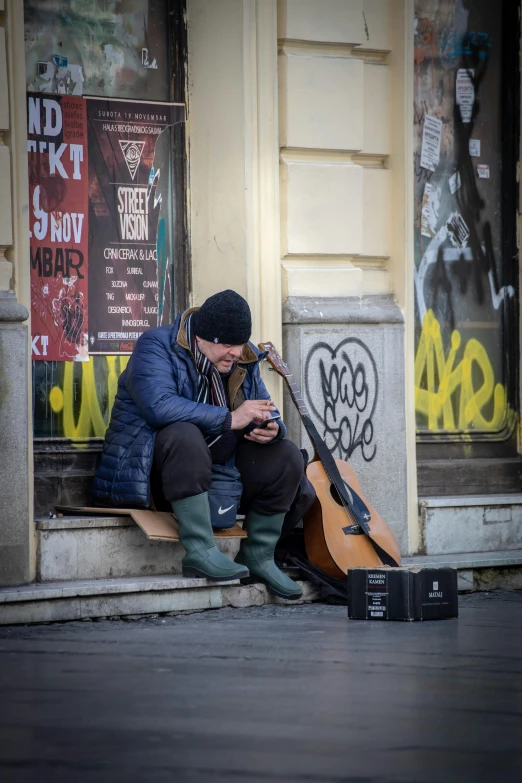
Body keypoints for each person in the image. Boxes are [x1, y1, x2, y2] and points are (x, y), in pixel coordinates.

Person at [93, 289, 314, 600]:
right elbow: (159, 406)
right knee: (185, 434)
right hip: (155, 475)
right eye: (227, 344)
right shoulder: (156, 346)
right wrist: (230, 419)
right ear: (200, 337)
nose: (236, 352)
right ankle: (199, 550)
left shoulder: (243, 355)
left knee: (287, 455)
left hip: (220, 474)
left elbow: (265, 406)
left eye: (239, 344)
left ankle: (258, 555)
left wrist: (272, 427)